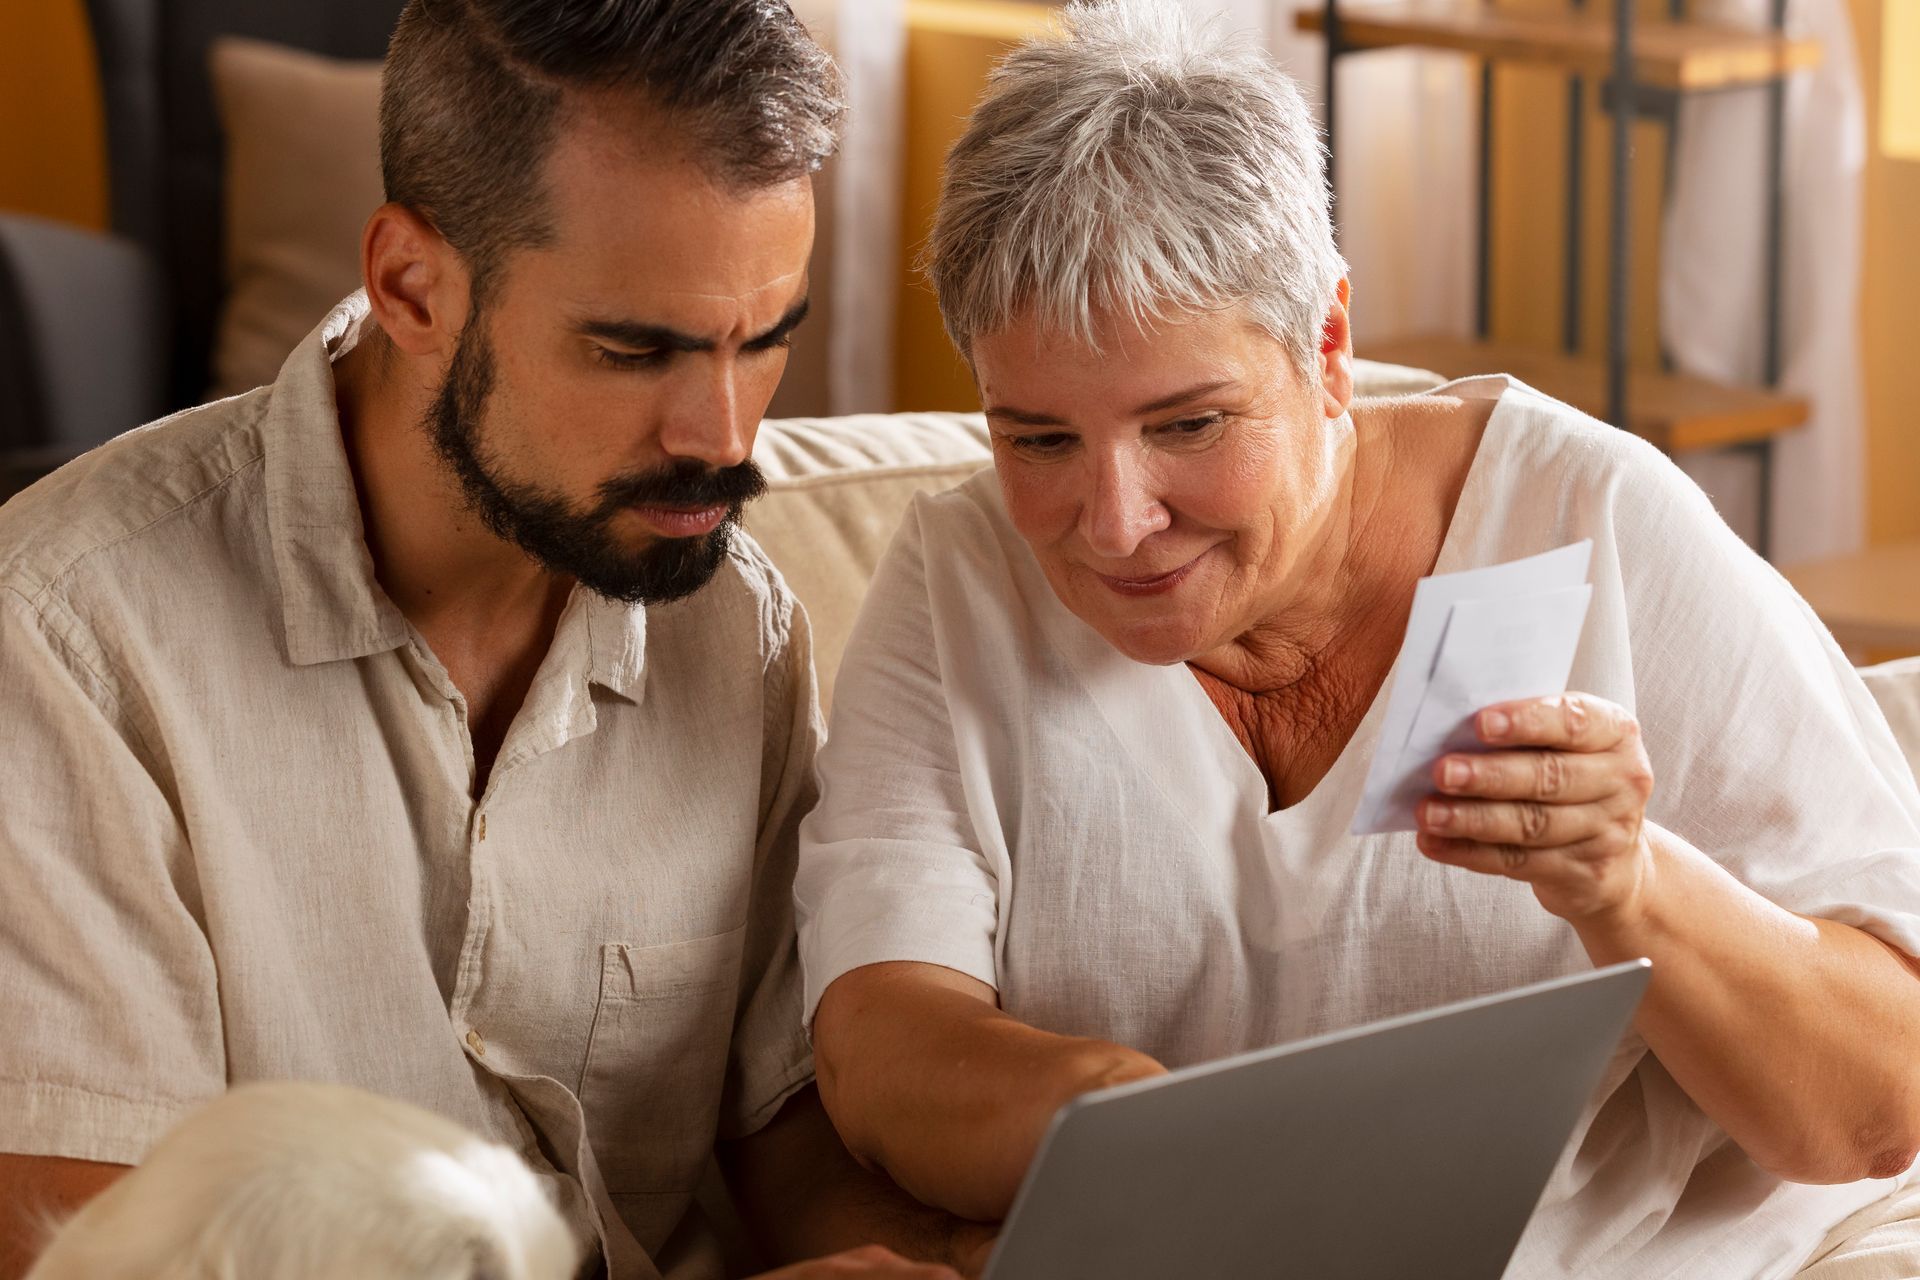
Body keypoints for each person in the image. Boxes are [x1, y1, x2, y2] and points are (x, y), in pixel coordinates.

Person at [794, 2, 1920, 1274]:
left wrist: (1630, 882)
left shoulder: (1591, 518)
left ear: (1328, 347)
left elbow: (1881, 1102)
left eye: (1189, 425)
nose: (1113, 522)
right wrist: (1133, 1122)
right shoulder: (959, 582)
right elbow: (877, 1036)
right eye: (1038, 437)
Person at [0, 2, 980, 1277]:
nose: (723, 434)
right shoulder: (68, 639)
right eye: (636, 349)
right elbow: (82, 1248)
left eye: (766, 341)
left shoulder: (733, 624)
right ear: (412, 285)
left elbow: (780, 1123)